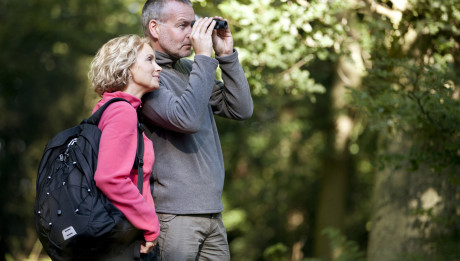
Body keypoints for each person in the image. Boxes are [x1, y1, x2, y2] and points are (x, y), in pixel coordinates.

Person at [139, 0, 254, 260]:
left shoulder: (190, 69)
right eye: (182, 25)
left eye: (193, 24)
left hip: (212, 212)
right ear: (154, 28)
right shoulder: (145, 75)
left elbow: (241, 109)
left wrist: (226, 56)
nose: (191, 33)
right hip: (174, 216)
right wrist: (203, 57)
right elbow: (186, 120)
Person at [88, 34, 162, 260]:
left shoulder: (106, 107)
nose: (158, 68)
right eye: (149, 60)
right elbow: (109, 177)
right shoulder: (122, 112)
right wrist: (150, 226)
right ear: (127, 67)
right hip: (124, 237)